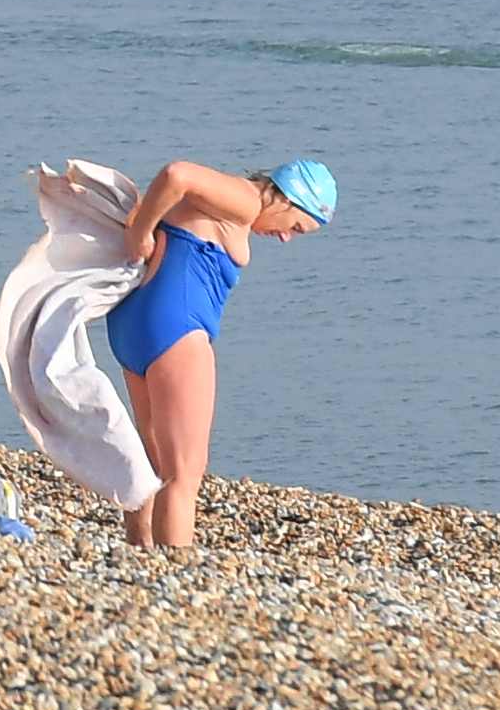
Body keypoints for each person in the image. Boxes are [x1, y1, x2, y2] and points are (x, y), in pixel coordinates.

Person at [104, 157, 333, 551]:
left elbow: (173, 190)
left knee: (154, 461)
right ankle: (176, 568)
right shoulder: (246, 200)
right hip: (176, 327)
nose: (285, 238)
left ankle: (140, 555)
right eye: (296, 226)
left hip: (134, 325)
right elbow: (177, 174)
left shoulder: (224, 207)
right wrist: (141, 233)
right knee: (184, 473)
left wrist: (144, 225)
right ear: (288, 198)